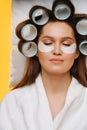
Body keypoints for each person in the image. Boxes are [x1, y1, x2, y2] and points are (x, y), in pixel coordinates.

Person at [0, 0, 87, 130]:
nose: (57, 51)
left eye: (66, 44)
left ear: (76, 52)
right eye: (47, 43)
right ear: (35, 49)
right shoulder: (13, 102)